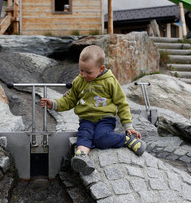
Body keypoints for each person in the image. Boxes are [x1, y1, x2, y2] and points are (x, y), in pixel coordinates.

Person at [41, 45, 146, 175]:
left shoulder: (110, 81)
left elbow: (122, 104)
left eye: (88, 72)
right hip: (86, 120)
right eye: (81, 71)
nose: (84, 75)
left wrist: (128, 125)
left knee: (100, 139)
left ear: (101, 68)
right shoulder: (79, 81)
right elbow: (69, 100)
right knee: (84, 136)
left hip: (105, 119)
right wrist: (54, 104)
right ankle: (82, 158)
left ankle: (127, 140)